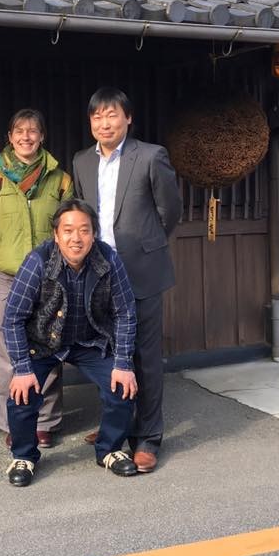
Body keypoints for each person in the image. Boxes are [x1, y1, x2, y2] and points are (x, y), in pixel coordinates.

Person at [72, 87, 181, 474]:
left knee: (144, 358)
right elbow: (83, 214)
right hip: (99, 275)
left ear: (128, 118)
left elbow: (170, 210)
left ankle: (148, 437)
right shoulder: (82, 161)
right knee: (107, 356)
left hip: (142, 271)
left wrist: (147, 246)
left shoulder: (150, 156)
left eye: (112, 115)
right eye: (97, 116)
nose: (104, 123)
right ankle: (116, 427)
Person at [3, 199, 139, 486]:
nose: (76, 238)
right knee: (21, 393)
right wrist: (22, 368)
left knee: (121, 386)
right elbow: (13, 318)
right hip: (43, 342)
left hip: (90, 341)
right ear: (56, 234)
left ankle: (109, 449)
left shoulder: (108, 259)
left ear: (94, 234)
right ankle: (24, 456)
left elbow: (125, 312)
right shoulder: (38, 261)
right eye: (68, 230)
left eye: (84, 230)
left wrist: (123, 363)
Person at [0, 109, 73, 449]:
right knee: (7, 352)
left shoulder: (60, 179)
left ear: (42, 136)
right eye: (19, 131)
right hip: (6, 276)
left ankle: (44, 422)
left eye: (32, 131)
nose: (26, 137)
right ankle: (12, 421)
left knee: (48, 346)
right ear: (10, 137)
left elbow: (71, 229)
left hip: (49, 275)